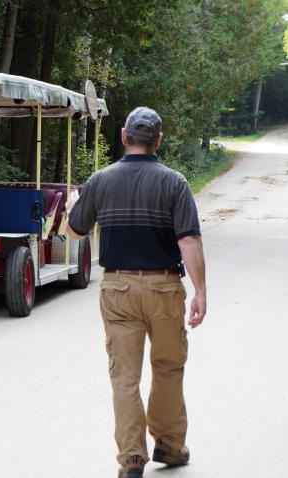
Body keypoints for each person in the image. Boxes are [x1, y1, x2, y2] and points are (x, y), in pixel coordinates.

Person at [65, 107, 207, 478]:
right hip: (163, 288)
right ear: (158, 140)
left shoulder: (100, 180)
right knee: (168, 367)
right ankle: (170, 446)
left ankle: (131, 459)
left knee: (124, 376)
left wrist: (70, 208)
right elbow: (188, 238)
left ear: (124, 135)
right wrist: (200, 292)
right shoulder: (174, 183)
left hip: (118, 287)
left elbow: (75, 232)